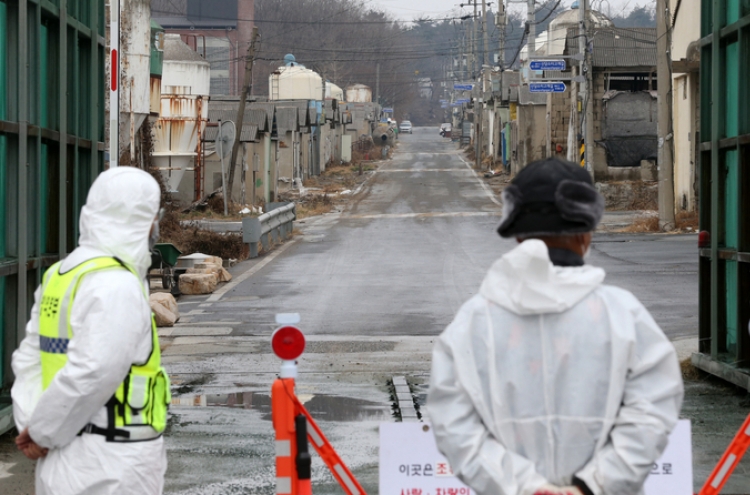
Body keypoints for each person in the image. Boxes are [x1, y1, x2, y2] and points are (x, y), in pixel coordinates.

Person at [427, 158, 684, 495]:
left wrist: (525, 487)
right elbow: (653, 410)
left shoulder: (474, 322)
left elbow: (453, 425)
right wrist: (592, 485)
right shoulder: (623, 315)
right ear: (586, 232)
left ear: (517, 233)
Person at [11, 167, 171, 495]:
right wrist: (41, 434)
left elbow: (29, 360)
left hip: (62, 460)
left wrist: (32, 425)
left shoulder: (62, 274)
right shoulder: (118, 285)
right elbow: (94, 371)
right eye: (155, 217)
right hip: (112, 464)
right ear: (142, 220)